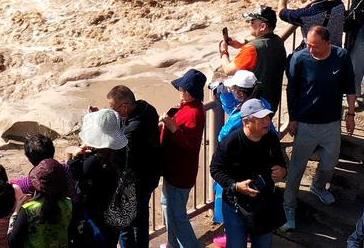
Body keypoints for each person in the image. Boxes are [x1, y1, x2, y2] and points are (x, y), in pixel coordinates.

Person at [281, 26, 357, 230]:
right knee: (297, 167)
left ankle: (318, 186)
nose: (310, 49)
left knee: (330, 162)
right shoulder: (300, 58)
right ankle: (288, 208)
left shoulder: (341, 56)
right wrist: (293, 119)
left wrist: (350, 114)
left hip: (331, 123)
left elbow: (350, 86)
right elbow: (292, 91)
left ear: (327, 42)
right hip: (306, 123)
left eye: (315, 46)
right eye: (308, 44)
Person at [210, 99, 288, 248]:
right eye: (261, 119)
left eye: (267, 117)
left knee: (263, 245)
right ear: (246, 121)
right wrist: (236, 186)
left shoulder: (271, 139)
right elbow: (215, 169)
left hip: (264, 204)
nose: (267, 122)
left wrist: (282, 171)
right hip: (236, 206)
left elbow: (281, 163)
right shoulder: (230, 143)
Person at [211, 70, 274, 223]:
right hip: (260, 160)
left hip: (239, 162)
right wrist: (224, 94)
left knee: (232, 198)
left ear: (240, 93)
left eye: (232, 89)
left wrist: (222, 94)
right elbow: (234, 107)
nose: (231, 91)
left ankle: (232, 232)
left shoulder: (243, 116)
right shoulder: (262, 104)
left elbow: (223, 136)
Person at [106, 86, 161, 248]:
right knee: (141, 223)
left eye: (113, 109)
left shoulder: (134, 129)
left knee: (126, 226)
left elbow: (121, 157)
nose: (113, 113)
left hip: (134, 184)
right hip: (149, 178)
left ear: (124, 107)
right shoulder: (147, 108)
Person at [67, 108, 129, 246]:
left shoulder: (91, 162)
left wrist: (75, 158)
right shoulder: (120, 154)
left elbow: (73, 175)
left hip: (93, 219)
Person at [159, 69, 207, 248]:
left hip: (180, 173)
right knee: (168, 208)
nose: (182, 92)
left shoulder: (195, 113)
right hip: (173, 169)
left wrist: (173, 128)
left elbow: (191, 146)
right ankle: (173, 244)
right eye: (181, 89)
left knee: (177, 215)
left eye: (186, 90)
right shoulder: (186, 107)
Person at [219, 6, 287, 110]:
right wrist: (240, 45)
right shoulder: (277, 41)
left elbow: (228, 70)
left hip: (253, 106)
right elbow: (264, 46)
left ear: (262, 26)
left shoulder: (251, 49)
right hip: (271, 102)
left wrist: (223, 51)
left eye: (252, 22)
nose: (249, 25)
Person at [8, 158, 72, 248]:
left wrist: (15, 212)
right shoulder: (68, 204)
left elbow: (12, 242)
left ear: (36, 184)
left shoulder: (28, 210)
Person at [277, 0, 346, 48]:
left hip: (315, 57)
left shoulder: (304, 15)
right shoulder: (339, 5)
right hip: (337, 55)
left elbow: (281, 12)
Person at [10, 134, 79, 203]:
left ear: (29, 159)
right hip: (70, 208)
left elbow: (16, 184)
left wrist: (11, 182)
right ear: (53, 150)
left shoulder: (32, 180)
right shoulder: (65, 168)